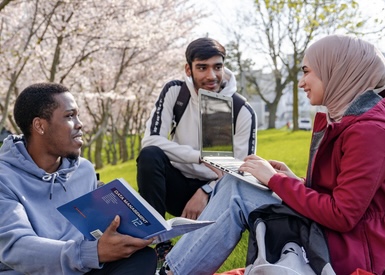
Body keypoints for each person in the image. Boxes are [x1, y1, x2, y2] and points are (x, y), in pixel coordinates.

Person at [161, 34, 385, 275]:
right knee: (236, 183)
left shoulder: (369, 130)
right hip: (334, 235)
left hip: (352, 250)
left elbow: (343, 215)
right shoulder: (347, 121)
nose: (301, 82)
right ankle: (173, 270)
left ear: (337, 72)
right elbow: (342, 195)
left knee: (239, 190)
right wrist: (294, 180)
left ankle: (172, 272)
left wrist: (276, 181)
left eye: (307, 71)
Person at [0, 83, 157, 275]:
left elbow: (94, 229)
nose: (80, 124)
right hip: (29, 271)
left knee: (142, 257)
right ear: (40, 126)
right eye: (69, 116)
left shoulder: (83, 169)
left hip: (80, 267)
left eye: (78, 115)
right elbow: (18, 248)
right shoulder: (4, 178)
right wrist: (92, 253)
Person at [136, 37, 257, 264]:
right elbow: (151, 141)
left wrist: (207, 191)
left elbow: (242, 170)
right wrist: (199, 157)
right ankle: (160, 244)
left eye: (217, 67)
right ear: (188, 69)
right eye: (202, 67)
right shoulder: (175, 92)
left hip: (217, 196)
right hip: (175, 185)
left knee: (235, 186)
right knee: (150, 156)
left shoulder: (241, 109)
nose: (211, 76)